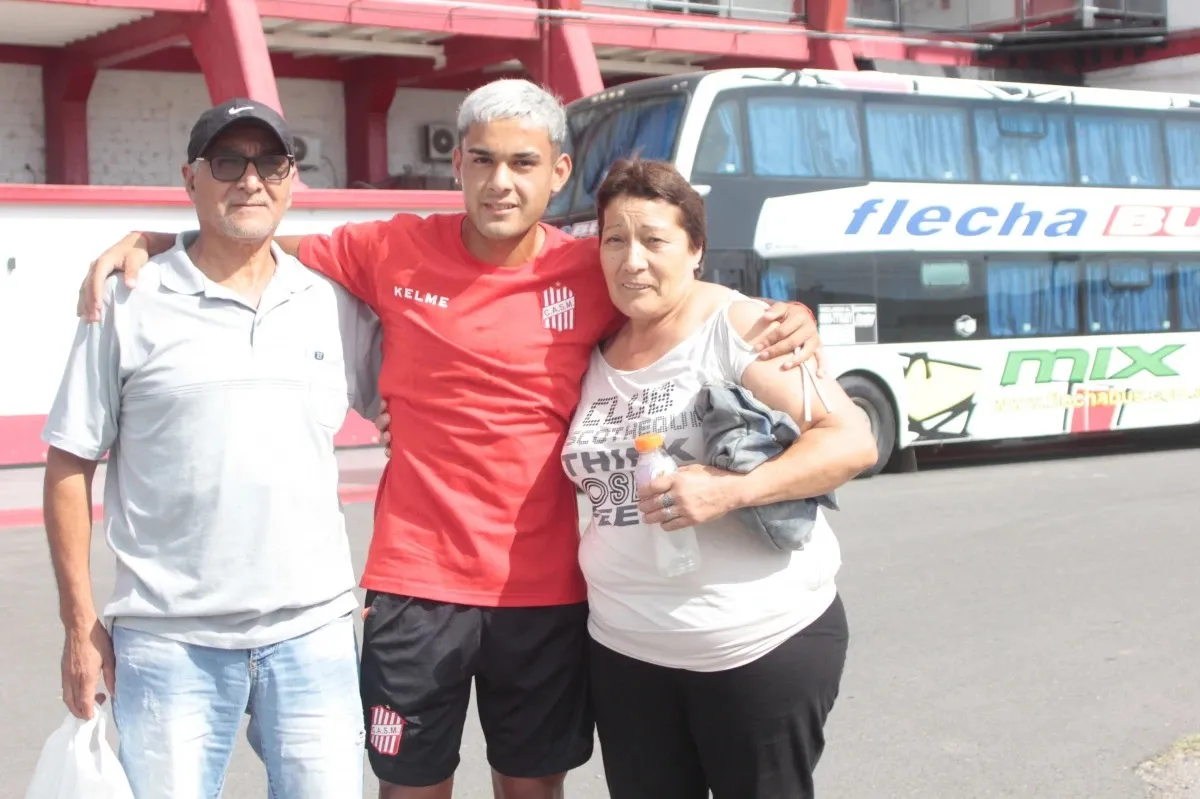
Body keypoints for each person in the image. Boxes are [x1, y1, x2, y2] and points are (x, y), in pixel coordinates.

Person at [74, 79, 824, 799]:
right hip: (415, 588)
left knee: (531, 784)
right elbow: (261, 238)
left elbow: (677, 293)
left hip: (546, 590)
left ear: (558, 172)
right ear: (456, 163)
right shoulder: (390, 249)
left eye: (524, 162)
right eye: (484, 159)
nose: (501, 180)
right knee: (409, 784)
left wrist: (785, 315)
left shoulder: (589, 272)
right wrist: (160, 236)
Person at [42, 98, 379, 798]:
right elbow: (70, 463)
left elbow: (412, 424)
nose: (250, 180)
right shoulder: (128, 299)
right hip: (168, 643)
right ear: (190, 177)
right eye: (228, 161)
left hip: (313, 633)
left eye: (270, 163)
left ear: (291, 180)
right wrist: (80, 624)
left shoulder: (328, 300)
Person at [565, 158, 876, 798]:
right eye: (614, 240)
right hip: (625, 656)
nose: (632, 261)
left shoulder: (740, 327)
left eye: (654, 240)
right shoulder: (593, 342)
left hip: (755, 649)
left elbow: (851, 441)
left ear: (696, 250)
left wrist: (731, 490)